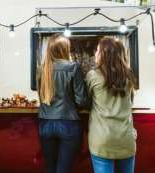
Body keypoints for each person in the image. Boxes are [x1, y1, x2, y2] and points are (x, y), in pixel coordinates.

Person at [37, 34, 88, 173]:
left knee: (50, 168)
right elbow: (82, 100)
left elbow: (42, 97)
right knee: (63, 170)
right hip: (68, 123)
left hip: (45, 124)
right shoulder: (73, 67)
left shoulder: (42, 69)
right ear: (65, 49)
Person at [86, 37, 137, 173]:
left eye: (97, 50)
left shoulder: (93, 75)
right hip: (126, 138)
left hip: (102, 139)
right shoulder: (129, 76)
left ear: (103, 54)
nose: (95, 53)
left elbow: (85, 101)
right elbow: (130, 103)